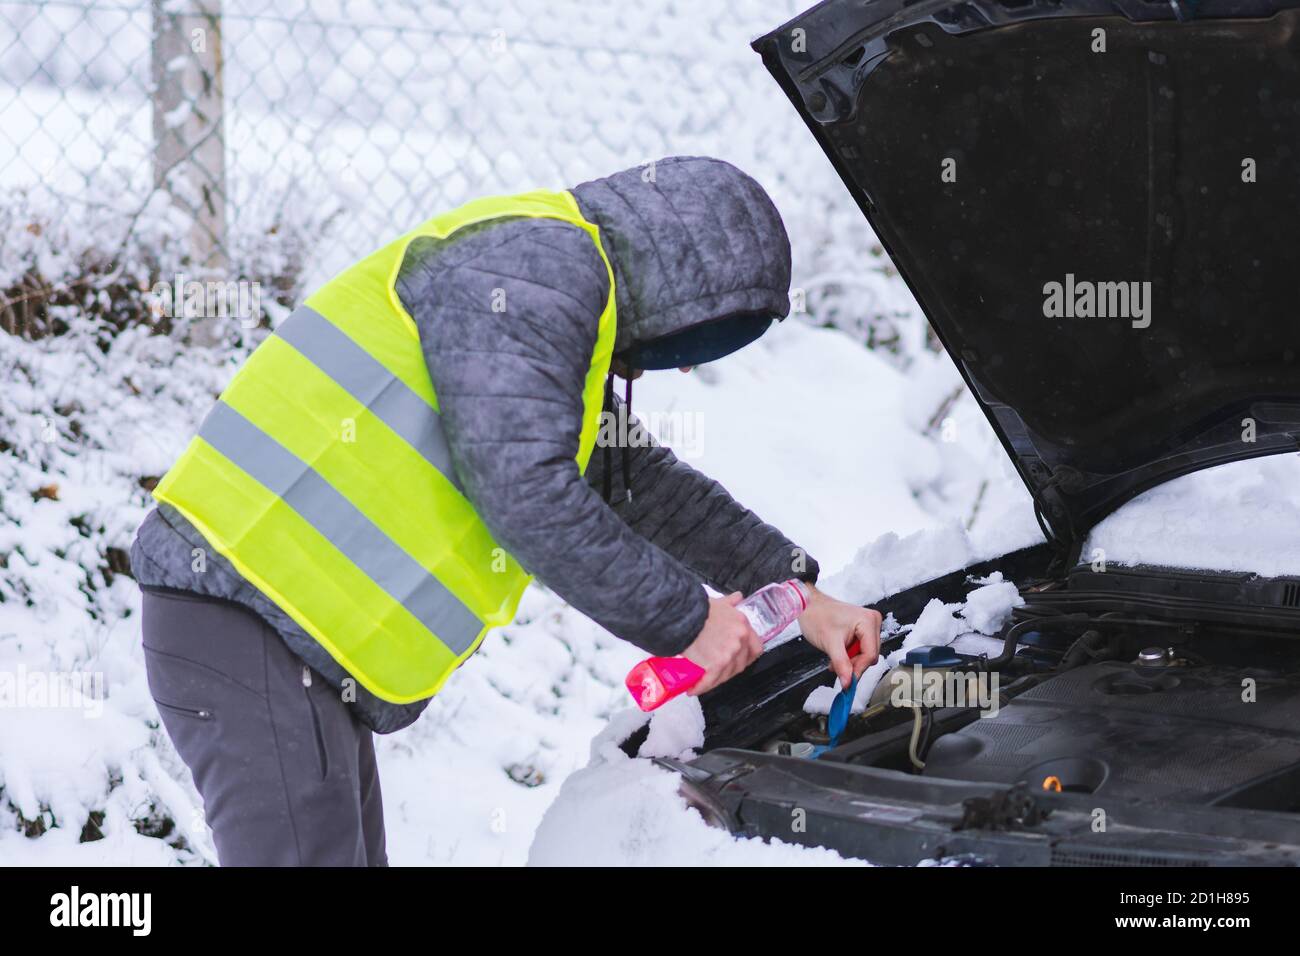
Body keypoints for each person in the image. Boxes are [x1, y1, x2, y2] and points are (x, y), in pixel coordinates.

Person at [130, 156, 883, 865]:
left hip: (286, 633)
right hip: (245, 612)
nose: (685, 365)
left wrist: (799, 593)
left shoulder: (557, 293)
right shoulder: (532, 273)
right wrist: (692, 620)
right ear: (686, 289)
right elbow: (526, 490)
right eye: (703, 343)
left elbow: (634, 482)